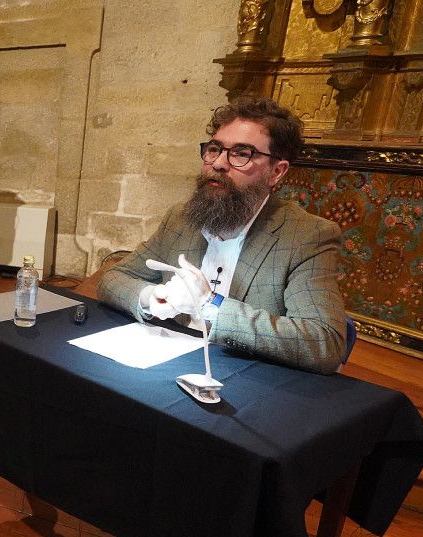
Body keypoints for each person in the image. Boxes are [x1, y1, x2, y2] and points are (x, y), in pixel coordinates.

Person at [98, 96, 347, 375]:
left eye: (241, 153)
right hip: (167, 365)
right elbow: (112, 279)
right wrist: (150, 296)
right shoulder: (181, 218)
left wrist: (210, 305)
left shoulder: (307, 236)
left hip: (245, 382)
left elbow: (325, 343)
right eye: (214, 149)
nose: (218, 163)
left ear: (276, 172)